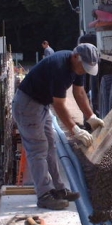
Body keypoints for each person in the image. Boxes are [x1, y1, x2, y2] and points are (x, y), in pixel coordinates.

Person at [13, 43, 105, 209]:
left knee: (51, 145)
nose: (84, 71)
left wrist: (91, 116)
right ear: (76, 56)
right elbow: (59, 105)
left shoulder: (77, 67)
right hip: (27, 104)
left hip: (41, 104)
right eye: (83, 67)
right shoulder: (59, 67)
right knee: (38, 148)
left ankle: (57, 189)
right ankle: (44, 195)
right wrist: (75, 129)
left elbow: (80, 92)